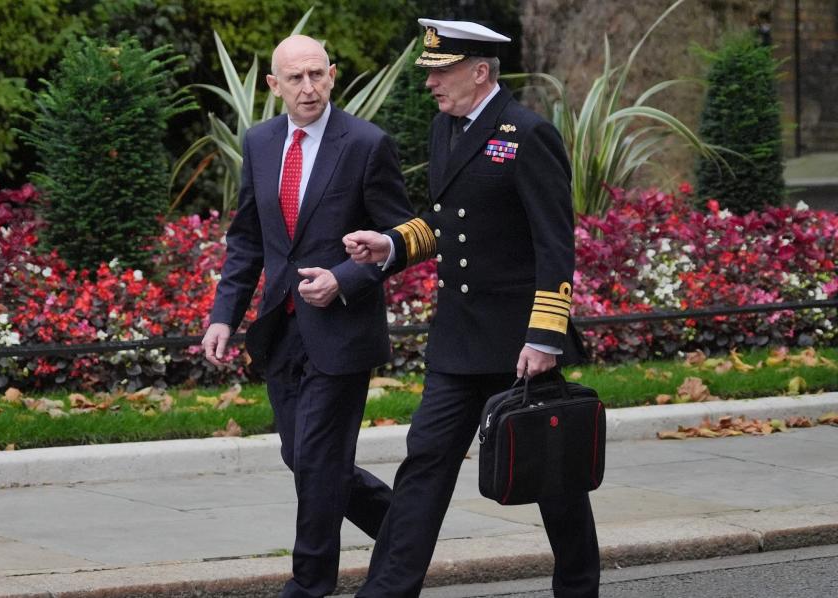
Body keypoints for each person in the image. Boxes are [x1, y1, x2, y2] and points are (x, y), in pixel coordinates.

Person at [343, 19, 600, 598]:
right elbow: (447, 223)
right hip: (458, 340)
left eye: (441, 70)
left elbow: (554, 244)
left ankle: (579, 590)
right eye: (430, 71)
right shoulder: (446, 127)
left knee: (554, 481)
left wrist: (544, 337)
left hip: (520, 346)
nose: (431, 82)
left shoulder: (528, 134)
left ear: (479, 72)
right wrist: (390, 244)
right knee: (424, 468)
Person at [201, 34, 414, 598]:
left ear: (334, 75)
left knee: (318, 458)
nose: (308, 87)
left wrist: (343, 279)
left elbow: (401, 240)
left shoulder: (367, 144)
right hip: (280, 329)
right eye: (294, 78)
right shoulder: (261, 141)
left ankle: (310, 583)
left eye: (317, 74)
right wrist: (225, 314)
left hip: (342, 330)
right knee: (303, 458)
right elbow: (247, 238)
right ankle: (405, 530)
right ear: (273, 87)